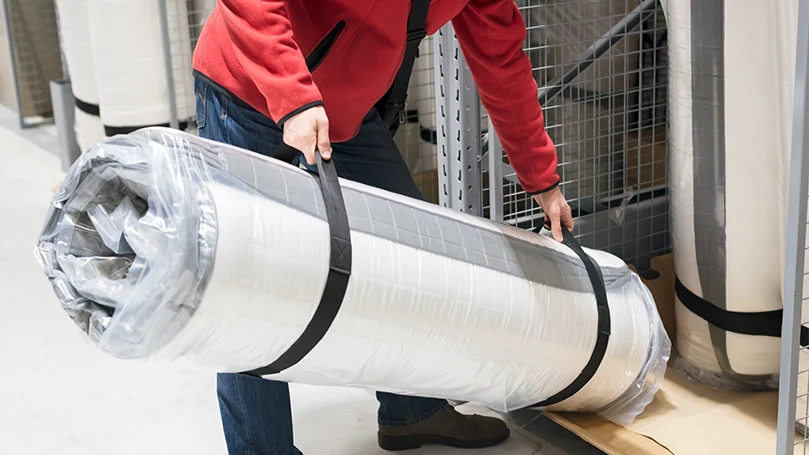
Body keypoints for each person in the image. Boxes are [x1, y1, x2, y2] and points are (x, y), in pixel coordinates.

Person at [192, 0, 574, 453]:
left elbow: (501, 58)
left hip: (343, 113)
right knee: (249, 289)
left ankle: (410, 411)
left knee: (411, 252)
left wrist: (542, 179)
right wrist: (292, 95)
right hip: (249, 89)